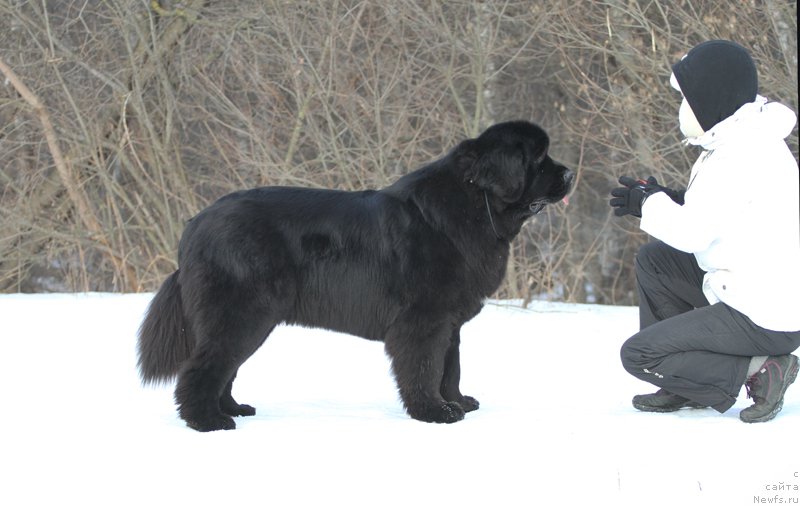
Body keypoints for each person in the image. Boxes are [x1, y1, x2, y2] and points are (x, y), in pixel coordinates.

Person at [609, 40, 800, 423]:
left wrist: (647, 204)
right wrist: (667, 197)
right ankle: (684, 383)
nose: (682, 109)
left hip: (763, 314)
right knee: (656, 261)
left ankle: (763, 369)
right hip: (747, 286)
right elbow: (725, 213)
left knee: (640, 355)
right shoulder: (737, 136)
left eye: (687, 98)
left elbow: (693, 234)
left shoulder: (742, 153)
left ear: (712, 97)